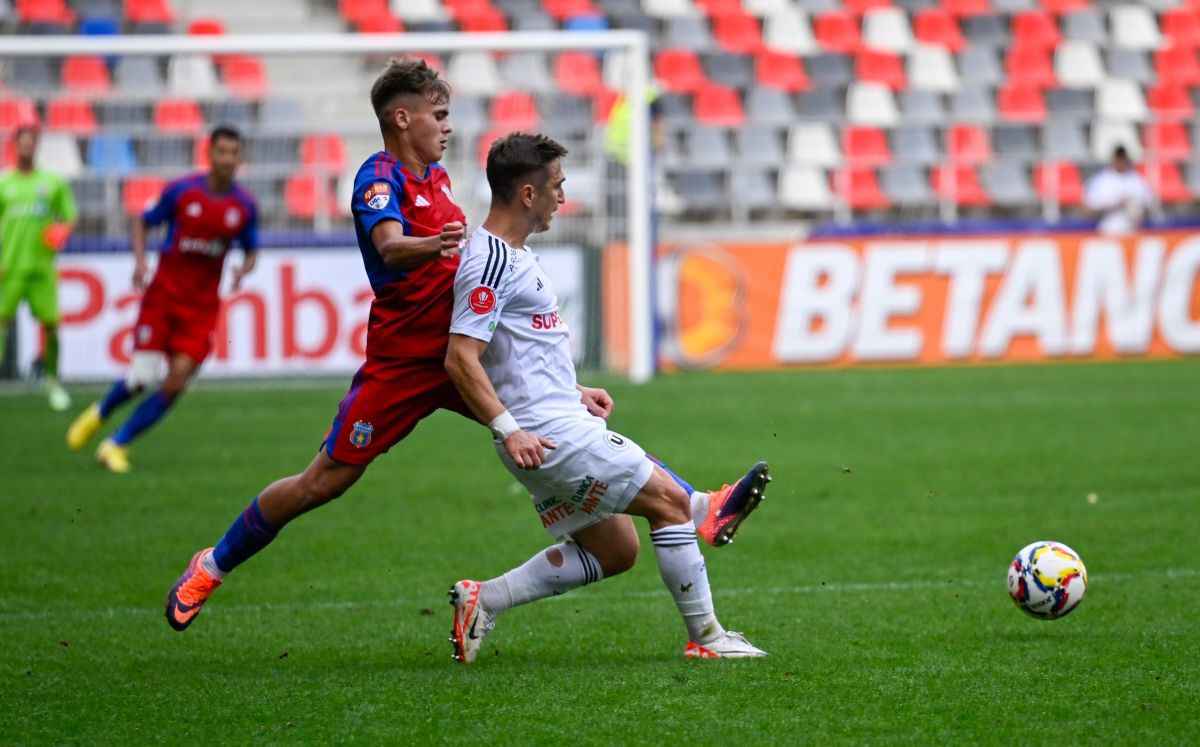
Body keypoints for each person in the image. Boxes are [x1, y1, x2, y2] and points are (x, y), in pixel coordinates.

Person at [156, 59, 764, 636]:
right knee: (324, 483)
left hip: (461, 358)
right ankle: (212, 564)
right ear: (402, 119)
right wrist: (436, 242)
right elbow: (391, 247)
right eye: (438, 116)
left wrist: (568, 386)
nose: (447, 128)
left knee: (568, 437)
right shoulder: (378, 178)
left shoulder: (440, 181)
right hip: (402, 365)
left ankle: (691, 508)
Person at [444, 133, 770, 662]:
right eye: (557, 185)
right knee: (667, 505)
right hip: (545, 435)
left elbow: (511, 353)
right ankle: (708, 634)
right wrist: (510, 429)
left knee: (615, 551)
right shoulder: (492, 263)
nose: (563, 197)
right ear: (528, 194)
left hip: (555, 420)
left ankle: (486, 598)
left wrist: (573, 389)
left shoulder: (513, 256)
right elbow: (461, 357)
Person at [65, 125, 259, 472]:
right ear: (209, 154)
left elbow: (251, 250)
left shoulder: (243, 206)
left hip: (201, 309)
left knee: (176, 381)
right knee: (141, 377)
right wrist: (140, 263)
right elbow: (142, 222)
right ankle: (100, 412)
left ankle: (115, 444)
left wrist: (244, 269)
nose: (228, 159)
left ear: (240, 158)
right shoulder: (182, 192)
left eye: (234, 153)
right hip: (163, 299)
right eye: (222, 152)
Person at [0, 125, 77, 410]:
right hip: (9, 267)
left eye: (31, 144)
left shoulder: (52, 183)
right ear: (14, 147)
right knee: (1, 323)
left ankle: (53, 380)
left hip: (42, 269)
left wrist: (61, 230)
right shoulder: (4, 183)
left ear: (37, 147)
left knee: (52, 327)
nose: (27, 148)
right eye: (22, 144)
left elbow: (69, 216)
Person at [1084, 146, 1154, 236]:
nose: (1121, 162)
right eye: (1118, 158)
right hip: (1108, 232)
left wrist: (1136, 206)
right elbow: (1088, 211)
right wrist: (1112, 204)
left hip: (1134, 232)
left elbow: (1150, 208)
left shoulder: (1137, 180)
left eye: (1123, 159)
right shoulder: (1101, 181)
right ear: (1113, 159)